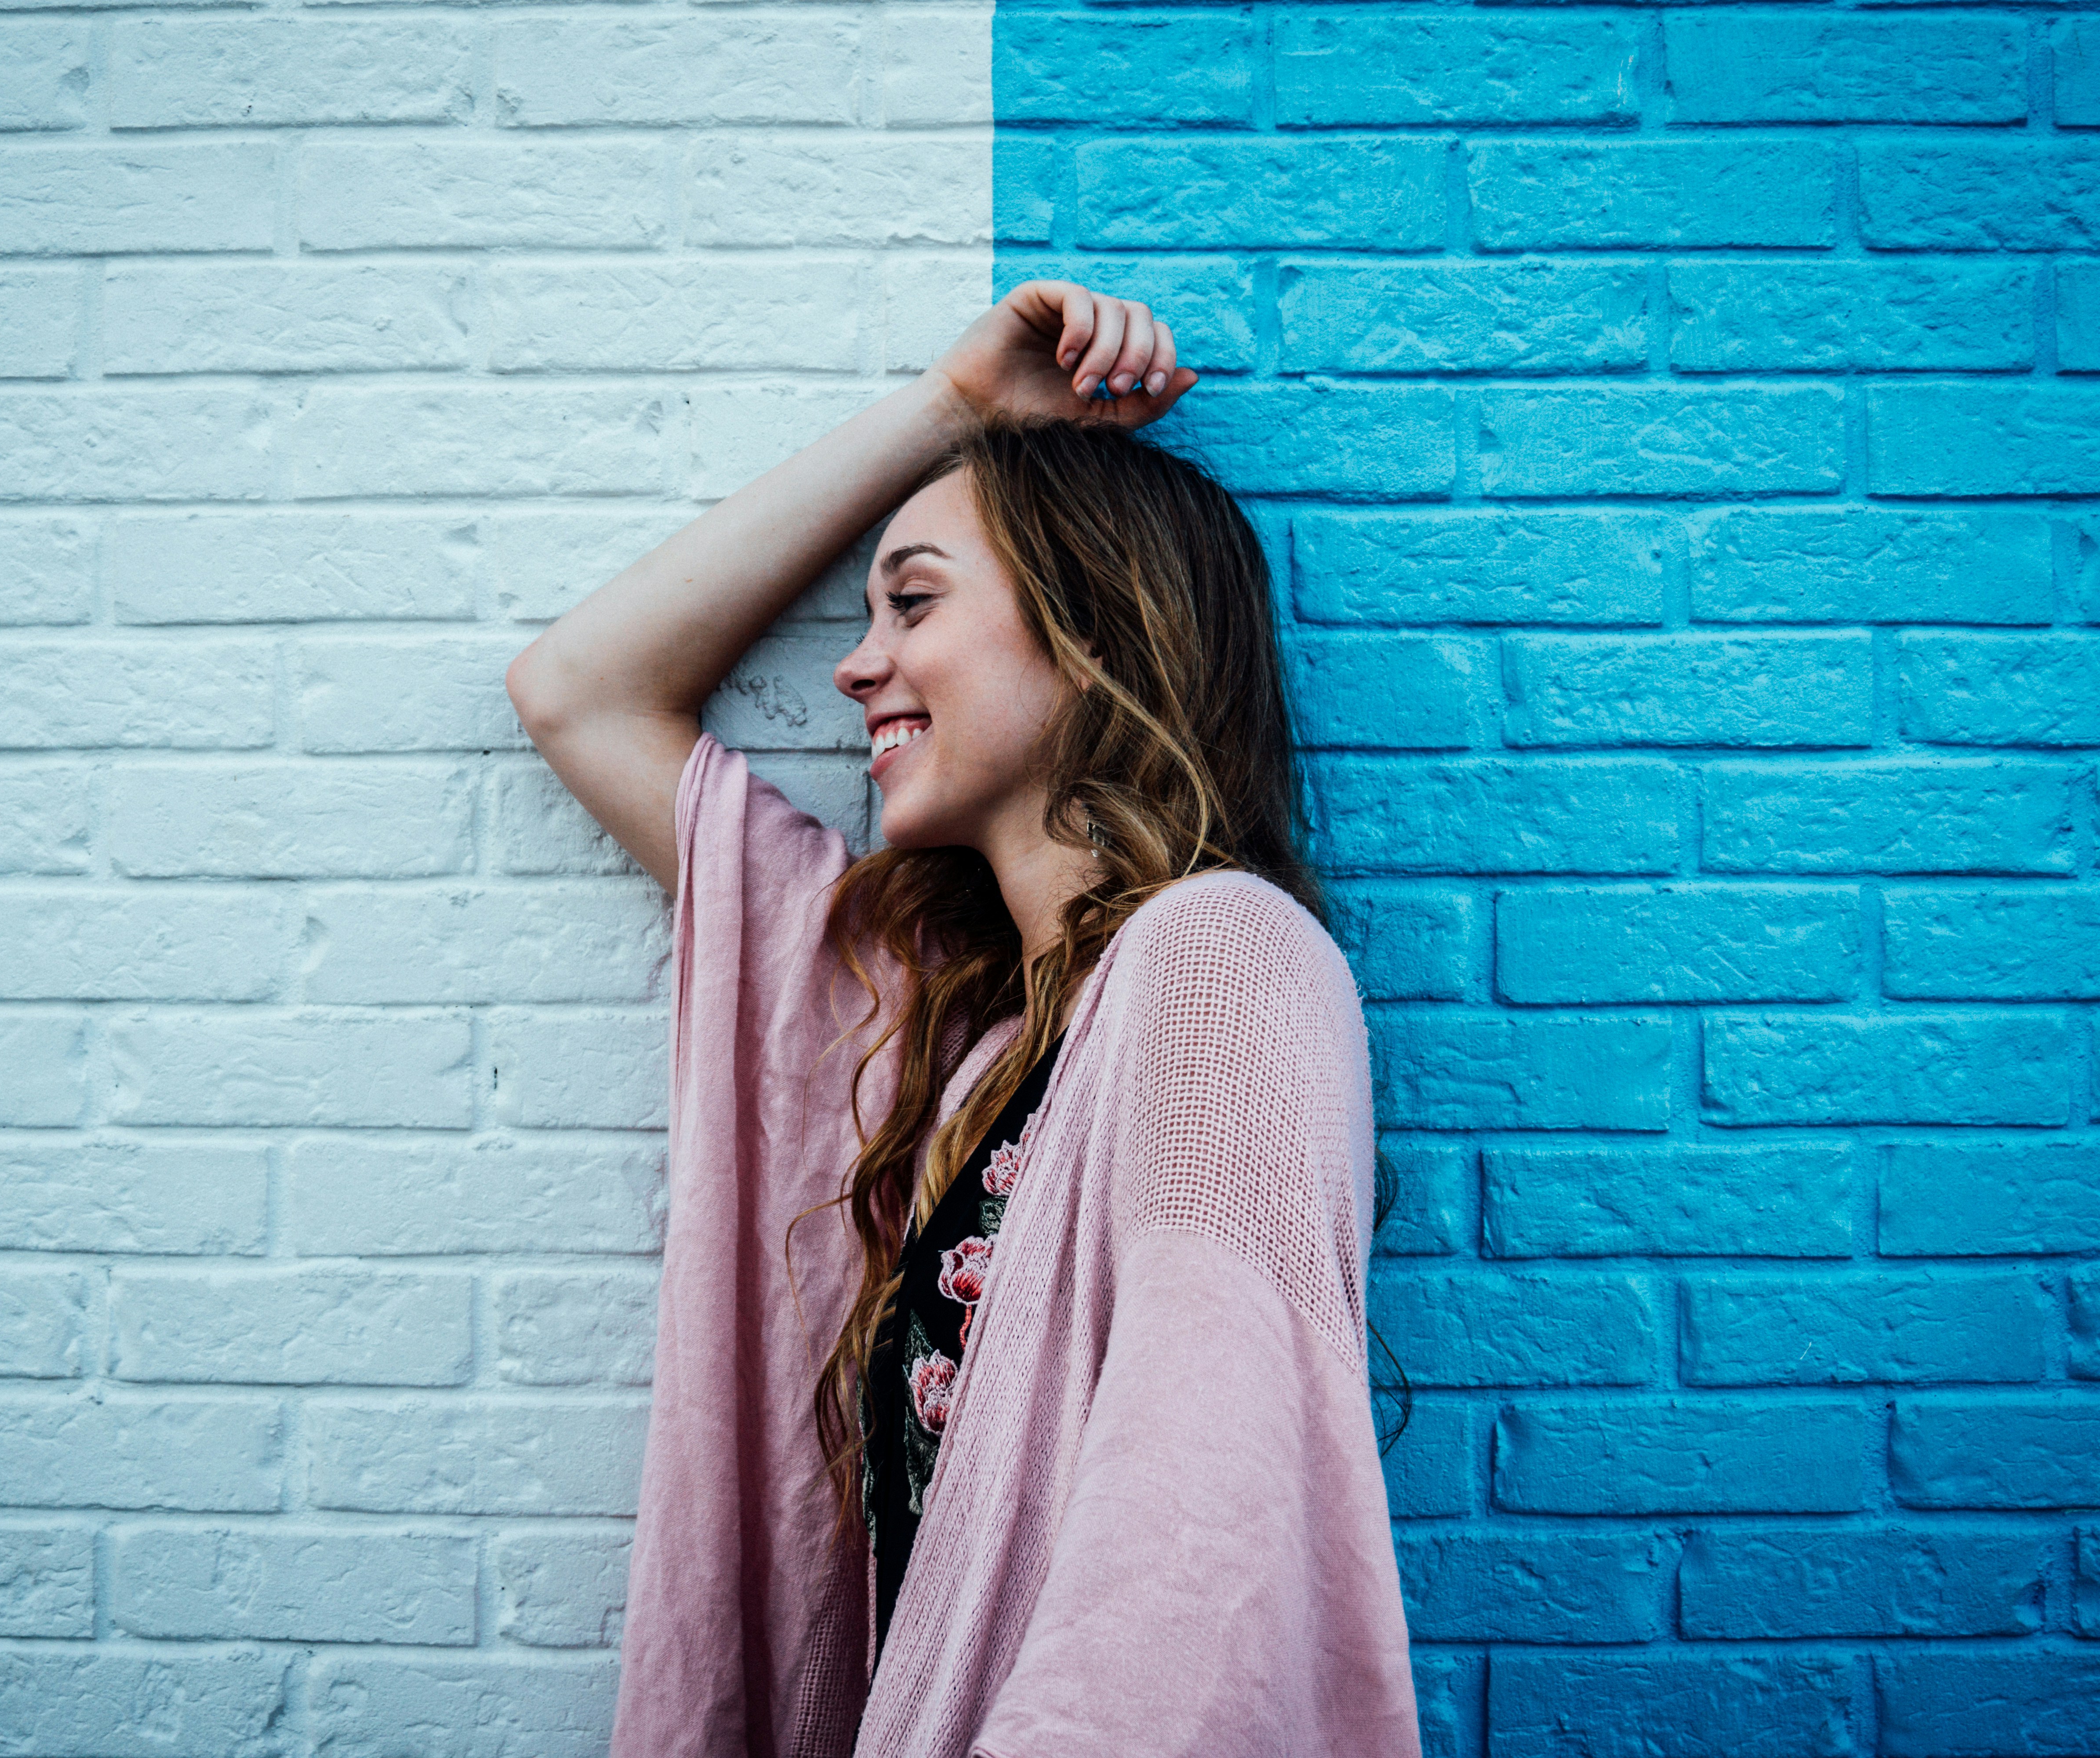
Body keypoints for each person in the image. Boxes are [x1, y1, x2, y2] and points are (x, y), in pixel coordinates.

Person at [506, 281, 1418, 1758]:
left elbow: (1197, 1545)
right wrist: (955, 407)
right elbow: (582, 691)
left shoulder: (1222, 957)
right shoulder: (931, 1027)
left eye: (913, 603)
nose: (855, 666)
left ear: (1096, 627)